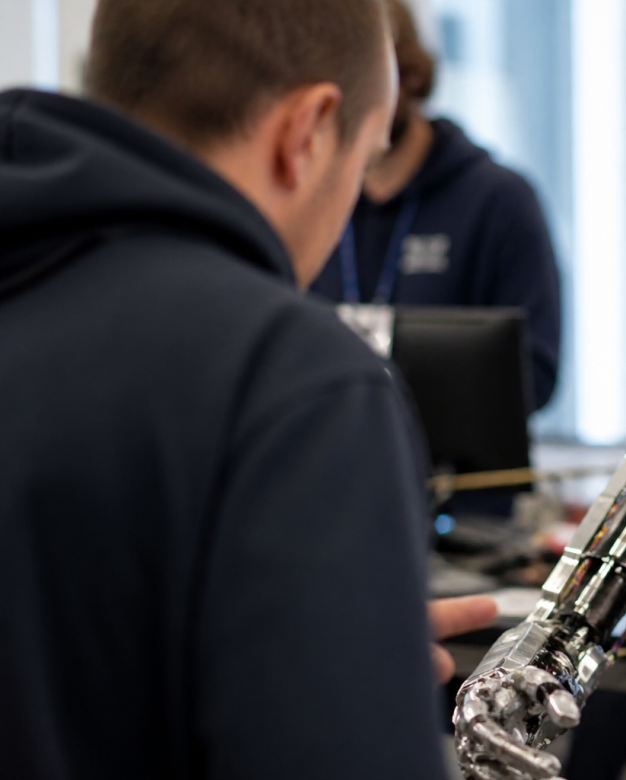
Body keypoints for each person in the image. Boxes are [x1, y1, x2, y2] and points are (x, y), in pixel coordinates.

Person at [0, 0, 494, 777]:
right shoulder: (292, 377)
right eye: (362, 157)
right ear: (308, 132)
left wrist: (314, 641)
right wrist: (349, 688)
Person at [311, 0, 562, 413]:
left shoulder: (499, 201)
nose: (350, 108)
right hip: (336, 442)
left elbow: (535, 372)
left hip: (453, 451)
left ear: (407, 76)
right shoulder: (315, 200)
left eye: (363, 85)